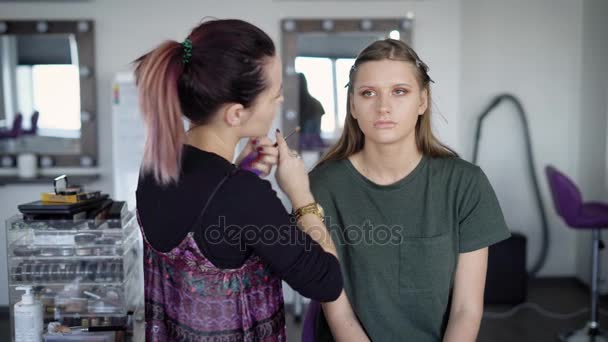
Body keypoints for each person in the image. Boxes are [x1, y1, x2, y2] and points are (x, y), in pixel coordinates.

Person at [134, 19, 345, 341]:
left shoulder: (155, 167)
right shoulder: (241, 194)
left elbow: (211, 217)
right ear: (236, 114)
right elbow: (326, 282)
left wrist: (242, 171)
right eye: (274, 95)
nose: (279, 102)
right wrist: (301, 195)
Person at [310, 39, 511, 341]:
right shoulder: (323, 185)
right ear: (353, 105)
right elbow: (339, 313)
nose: (383, 107)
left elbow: (466, 310)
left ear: (422, 101)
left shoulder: (465, 184)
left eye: (399, 91)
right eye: (368, 93)